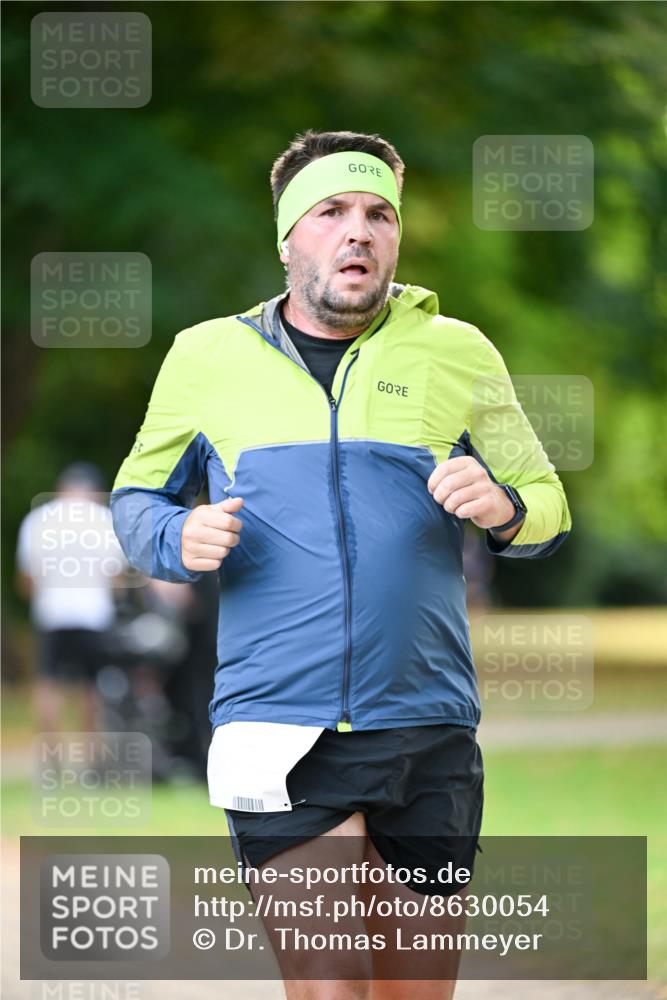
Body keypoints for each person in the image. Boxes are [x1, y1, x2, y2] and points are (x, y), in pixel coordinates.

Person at [111, 129, 571, 998]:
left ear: (395, 237)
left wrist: (505, 509)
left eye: (377, 214)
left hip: (425, 722)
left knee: (414, 990)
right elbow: (135, 503)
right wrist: (178, 538)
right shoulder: (205, 357)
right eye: (331, 212)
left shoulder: (458, 352)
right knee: (327, 985)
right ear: (289, 238)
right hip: (275, 723)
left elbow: (547, 504)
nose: (357, 231)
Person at [16, 462, 125, 733]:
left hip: (51, 612)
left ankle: (50, 753)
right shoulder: (104, 520)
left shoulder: (39, 519)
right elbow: (117, 577)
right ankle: (88, 757)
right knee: (91, 686)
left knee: (47, 682)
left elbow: (27, 577)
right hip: (94, 614)